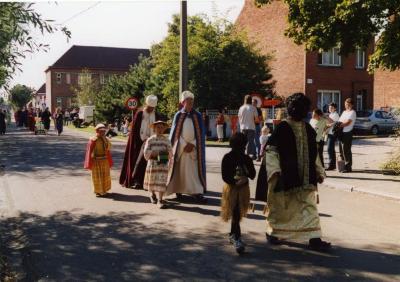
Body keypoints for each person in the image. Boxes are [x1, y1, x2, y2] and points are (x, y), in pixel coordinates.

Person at [255, 93, 331, 252]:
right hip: (285, 177)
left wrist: (319, 170)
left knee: (310, 208)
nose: (304, 111)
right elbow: (271, 150)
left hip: (306, 179)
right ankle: (273, 232)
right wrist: (274, 169)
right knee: (281, 209)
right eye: (302, 108)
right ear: (294, 109)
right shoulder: (282, 127)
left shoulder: (308, 128)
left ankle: (314, 238)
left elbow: (314, 153)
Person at [166, 91, 207, 203]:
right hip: (181, 149)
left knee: (194, 172)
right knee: (180, 171)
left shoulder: (197, 115)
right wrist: (183, 144)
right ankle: (178, 191)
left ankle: (197, 193)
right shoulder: (178, 115)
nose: (190, 104)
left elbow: (201, 134)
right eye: (188, 101)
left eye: (192, 102)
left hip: (193, 149)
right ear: (183, 102)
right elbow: (175, 134)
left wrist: (193, 144)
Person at [221, 132, 256, 254]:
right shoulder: (230, 158)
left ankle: (232, 234)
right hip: (232, 189)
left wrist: (245, 174)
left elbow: (252, 175)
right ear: (245, 145)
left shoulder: (243, 158)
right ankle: (237, 238)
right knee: (236, 212)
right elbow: (225, 176)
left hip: (241, 190)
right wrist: (235, 182)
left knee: (236, 213)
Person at [119, 95, 162, 189]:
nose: (151, 109)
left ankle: (149, 181)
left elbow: (159, 128)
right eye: (149, 107)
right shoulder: (139, 114)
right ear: (146, 105)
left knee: (151, 162)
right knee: (138, 162)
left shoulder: (156, 115)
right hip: (139, 142)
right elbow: (135, 130)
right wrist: (143, 139)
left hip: (152, 142)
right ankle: (137, 181)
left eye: (153, 108)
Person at [143, 121, 172, 209]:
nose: (160, 129)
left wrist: (162, 154)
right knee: (152, 180)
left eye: (161, 127)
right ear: (154, 129)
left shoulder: (166, 140)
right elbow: (145, 152)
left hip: (163, 162)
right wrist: (153, 153)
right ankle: (152, 194)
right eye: (158, 127)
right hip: (152, 163)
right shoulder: (150, 139)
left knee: (161, 181)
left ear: (164, 129)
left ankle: (160, 200)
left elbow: (170, 152)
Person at [84, 124, 113, 197]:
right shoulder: (93, 140)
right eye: (101, 131)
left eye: (104, 131)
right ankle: (98, 191)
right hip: (96, 161)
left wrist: (107, 140)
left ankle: (104, 190)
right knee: (98, 177)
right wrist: (90, 162)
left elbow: (109, 148)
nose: (103, 132)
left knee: (105, 176)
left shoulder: (105, 139)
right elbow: (89, 151)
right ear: (97, 131)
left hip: (104, 160)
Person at [338, 98, 357, 173]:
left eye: (348, 104)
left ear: (351, 105)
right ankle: (343, 166)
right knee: (341, 150)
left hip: (347, 132)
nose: (346, 105)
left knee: (346, 150)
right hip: (341, 132)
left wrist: (339, 125)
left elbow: (348, 123)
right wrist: (339, 124)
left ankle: (348, 167)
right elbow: (340, 121)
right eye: (345, 104)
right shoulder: (344, 112)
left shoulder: (353, 112)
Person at [238, 95, 258, 160]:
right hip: (251, 127)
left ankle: (242, 154)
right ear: (250, 100)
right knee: (250, 142)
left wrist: (241, 123)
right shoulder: (253, 108)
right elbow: (256, 119)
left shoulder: (241, 108)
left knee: (243, 142)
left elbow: (239, 117)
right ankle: (247, 155)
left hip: (243, 127)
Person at [325, 103, 340, 170]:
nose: (329, 109)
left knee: (330, 149)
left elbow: (334, 123)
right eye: (329, 108)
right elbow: (328, 123)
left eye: (331, 108)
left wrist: (327, 118)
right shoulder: (331, 114)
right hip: (329, 133)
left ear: (335, 108)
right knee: (330, 149)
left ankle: (331, 165)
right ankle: (332, 164)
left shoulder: (336, 115)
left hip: (333, 133)